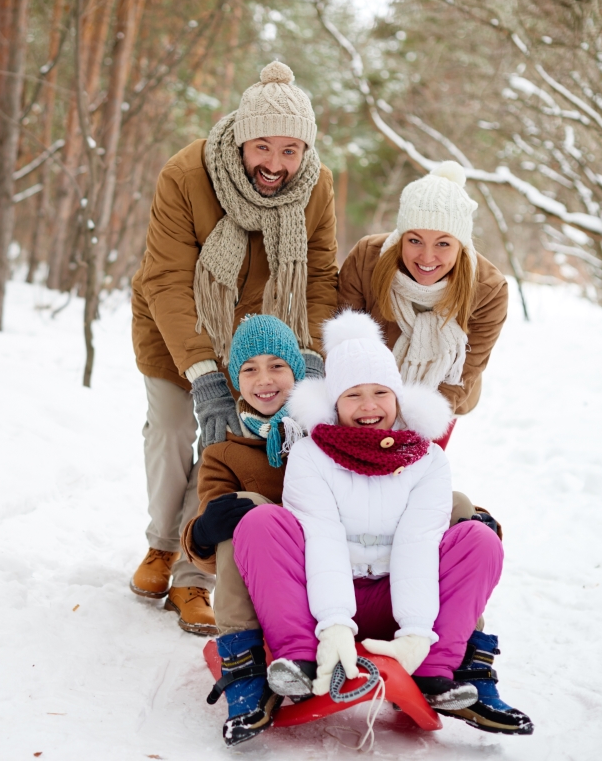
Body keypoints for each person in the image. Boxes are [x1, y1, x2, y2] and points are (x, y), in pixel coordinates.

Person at [223, 311, 533, 745]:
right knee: (260, 521)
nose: (368, 407)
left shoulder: (427, 460)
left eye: (380, 393)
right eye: (353, 395)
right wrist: (333, 624)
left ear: (398, 398)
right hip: (319, 603)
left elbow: (418, 544)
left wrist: (416, 632)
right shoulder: (311, 456)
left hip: (398, 598)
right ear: (334, 402)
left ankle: (436, 669)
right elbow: (322, 537)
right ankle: (299, 660)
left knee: (478, 538)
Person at [129, 60, 339, 635]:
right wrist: (203, 373)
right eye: (264, 147)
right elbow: (167, 278)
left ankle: (194, 577)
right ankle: (161, 544)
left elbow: (319, 276)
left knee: (230, 445)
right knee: (177, 428)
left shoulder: (316, 186)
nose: (275, 164)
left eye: (291, 150)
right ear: (242, 136)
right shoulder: (187, 174)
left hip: (265, 341)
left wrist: (312, 358)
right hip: (181, 325)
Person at [337, 161, 508, 448]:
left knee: (414, 473)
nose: (427, 258)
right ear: (401, 236)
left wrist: (415, 426)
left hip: (442, 394)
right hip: (365, 394)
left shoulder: (488, 290)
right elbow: (344, 345)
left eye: (443, 244)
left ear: (461, 245)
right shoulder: (368, 258)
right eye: (415, 240)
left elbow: (465, 371)